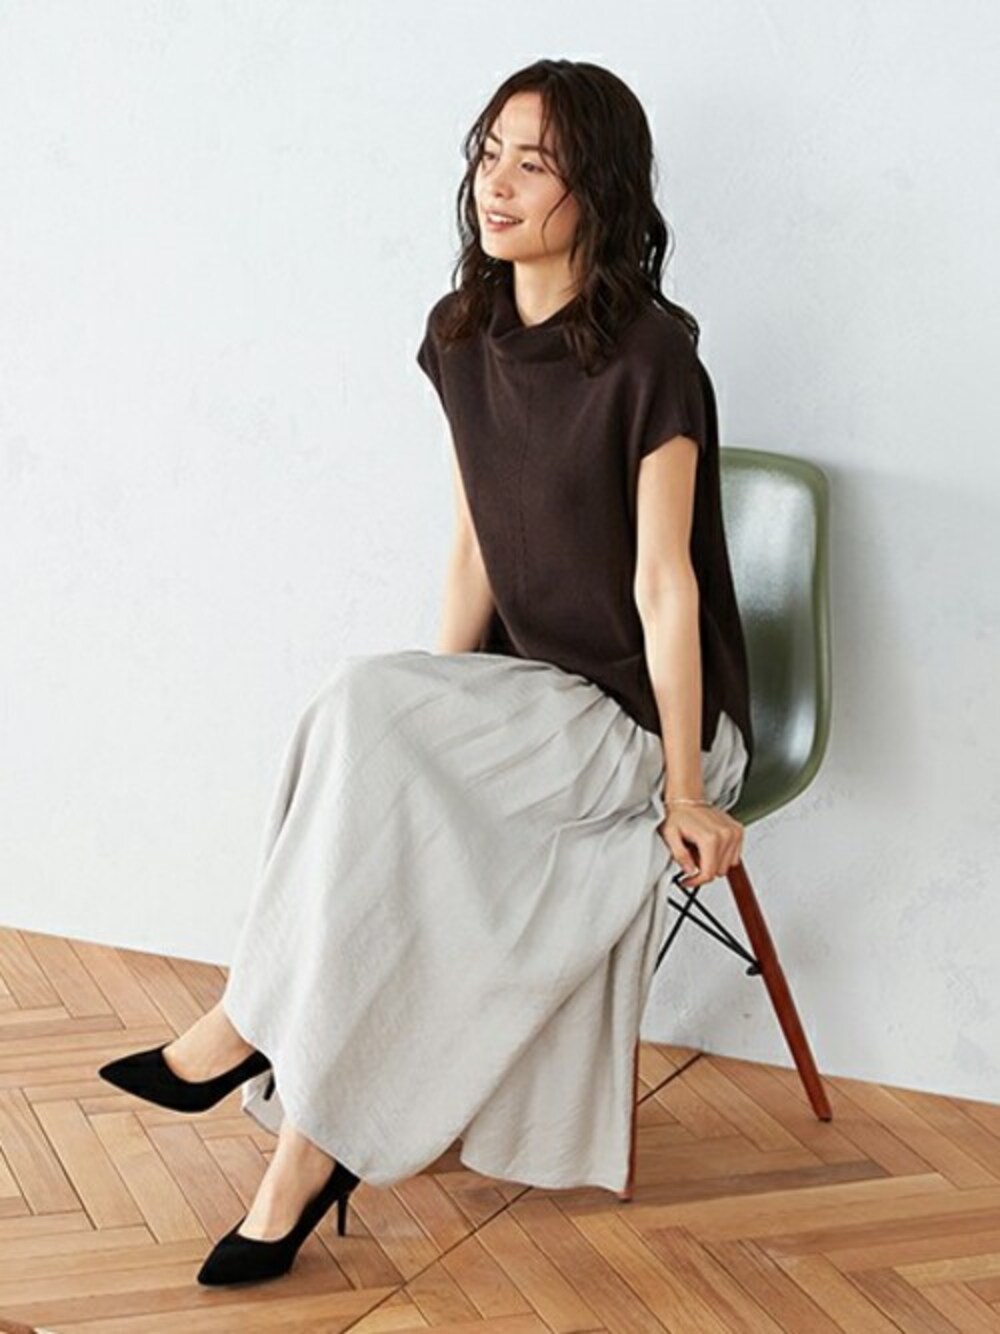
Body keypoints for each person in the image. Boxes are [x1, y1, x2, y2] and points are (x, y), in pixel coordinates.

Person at [97, 58, 754, 1289]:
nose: (495, 184)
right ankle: (300, 1148)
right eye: (487, 153)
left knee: (373, 716)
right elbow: (473, 543)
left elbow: (666, 587)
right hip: (528, 696)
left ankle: (251, 1032)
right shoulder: (464, 335)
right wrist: (439, 722)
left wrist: (681, 786)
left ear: (599, 190)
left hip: (639, 715)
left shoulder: (652, 358)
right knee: (371, 720)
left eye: (532, 163)